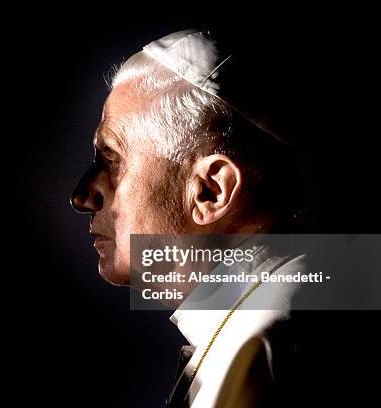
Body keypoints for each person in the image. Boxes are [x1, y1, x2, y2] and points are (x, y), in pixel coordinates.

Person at [70, 29, 369, 407]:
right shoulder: (265, 313)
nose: (81, 197)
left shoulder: (257, 345)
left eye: (112, 159)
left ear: (211, 190)